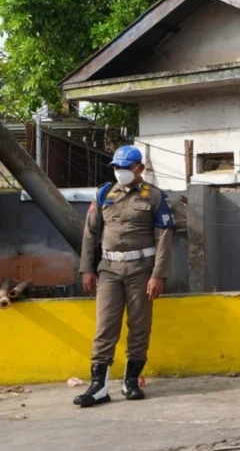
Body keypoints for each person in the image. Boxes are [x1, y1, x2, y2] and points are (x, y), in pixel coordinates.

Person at [74, 146, 175, 407]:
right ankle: (98, 386)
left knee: (139, 325)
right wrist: (86, 268)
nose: (120, 173)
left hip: (141, 270)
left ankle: (131, 381)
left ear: (139, 169)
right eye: (117, 168)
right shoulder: (105, 193)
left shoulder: (154, 196)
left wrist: (159, 275)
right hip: (109, 269)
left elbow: (165, 237)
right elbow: (89, 233)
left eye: (126, 168)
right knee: (105, 326)